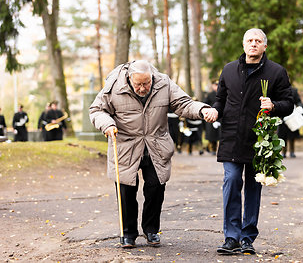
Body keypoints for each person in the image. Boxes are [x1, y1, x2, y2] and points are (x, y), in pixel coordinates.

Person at [89, 60, 213, 248]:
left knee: (156, 188)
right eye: (138, 84)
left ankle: (151, 230)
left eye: (146, 83)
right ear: (130, 78)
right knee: (126, 192)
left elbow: (183, 104)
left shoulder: (164, 83)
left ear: (152, 77)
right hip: (126, 146)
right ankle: (128, 233)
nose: (142, 88)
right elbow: (97, 110)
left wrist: (202, 109)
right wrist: (107, 124)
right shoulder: (114, 85)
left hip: (156, 145)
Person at [207, 28, 293, 255]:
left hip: (260, 142)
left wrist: (274, 106)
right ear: (243, 44)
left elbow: (289, 103)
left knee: (253, 188)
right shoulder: (228, 70)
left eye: (258, 41)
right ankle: (231, 237)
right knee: (232, 180)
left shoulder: (276, 72)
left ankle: (247, 237)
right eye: (249, 40)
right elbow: (220, 100)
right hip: (231, 138)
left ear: (265, 46)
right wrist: (215, 111)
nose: (253, 44)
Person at [278, 86, 302, 158]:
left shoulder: (294, 90)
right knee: (283, 136)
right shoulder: (279, 89)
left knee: (292, 136)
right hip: (282, 116)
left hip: (292, 116)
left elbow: (298, 101)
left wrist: (299, 107)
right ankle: (284, 152)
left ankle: (292, 151)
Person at [204, 81, 221, 155]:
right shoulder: (210, 95)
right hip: (211, 116)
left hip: (221, 117)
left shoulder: (222, 93)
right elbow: (205, 103)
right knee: (212, 134)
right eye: (215, 85)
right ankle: (212, 148)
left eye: (218, 85)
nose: (217, 87)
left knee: (220, 134)